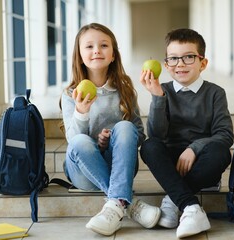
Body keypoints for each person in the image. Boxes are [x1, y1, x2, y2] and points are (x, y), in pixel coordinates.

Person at [60, 23, 161, 236]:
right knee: (80, 141)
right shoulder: (71, 94)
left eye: (104, 45)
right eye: (89, 46)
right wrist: (81, 112)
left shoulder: (124, 89)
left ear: (113, 55)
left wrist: (113, 137)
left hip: (119, 166)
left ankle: (116, 202)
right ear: (79, 55)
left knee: (125, 126)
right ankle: (128, 203)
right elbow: (74, 141)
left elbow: (139, 134)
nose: (96, 50)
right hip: (83, 171)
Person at [139, 28, 234, 238]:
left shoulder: (215, 93)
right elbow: (156, 135)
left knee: (222, 152)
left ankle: (173, 200)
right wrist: (157, 98)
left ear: (203, 63)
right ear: (166, 65)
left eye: (188, 57)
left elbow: (225, 135)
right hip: (172, 163)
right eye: (173, 58)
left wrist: (194, 148)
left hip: (202, 162)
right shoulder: (162, 90)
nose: (180, 64)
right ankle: (190, 206)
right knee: (149, 146)